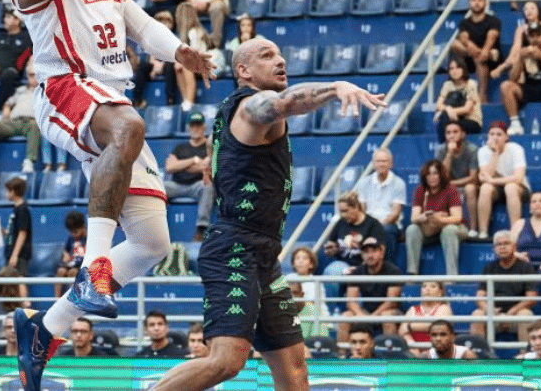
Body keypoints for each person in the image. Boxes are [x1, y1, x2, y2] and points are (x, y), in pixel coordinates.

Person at [9, 0, 216, 391]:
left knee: (152, 243)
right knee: (129, 128)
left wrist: (181, 53)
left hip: (110, 91)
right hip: (65, 87)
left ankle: (44, 331)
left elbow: (140, 25)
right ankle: (94, 267)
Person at [146, 39, 383, 391]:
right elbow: (284, 103)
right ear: (243, 71)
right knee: (226, 361)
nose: (281, 59)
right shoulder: (250, 107)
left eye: (280, 53)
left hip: (264, 254)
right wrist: (336, 87)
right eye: (267, 56)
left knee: (295, 367)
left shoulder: (235, 113)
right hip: (234, 250)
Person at [0, 62, 47, 172]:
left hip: (31, 123)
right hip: (13, 123)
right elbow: (9, 102)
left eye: (36, 74)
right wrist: (6, 108)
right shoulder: (20, 90)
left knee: (34, 126)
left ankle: (29, 161)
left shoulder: (46, 91)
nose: (33, 78)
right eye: (30, 75)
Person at [469, 231, 537, 340]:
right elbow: (479, 296)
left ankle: (525, 355)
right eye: (498, 244)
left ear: (514, 246)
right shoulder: (489, 268)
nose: (502, 247)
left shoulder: (526, 267)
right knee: (477, 313)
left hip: (516, 315)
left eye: (506, 243)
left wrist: (512, 312)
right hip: (493, 316)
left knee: (525, 314)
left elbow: (531, 298)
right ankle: (479, 354)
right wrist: (489, 310)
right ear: (494, 249)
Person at [500, 22, 541, 136]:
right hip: (528, 87)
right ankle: (515, 124)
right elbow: (512, 78)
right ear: (528, 37)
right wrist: (520, 58)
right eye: (532, 36)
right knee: (505, 86)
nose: (535, 39)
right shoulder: (523, 51)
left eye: (538, 36)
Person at [405, 158, 466, 276]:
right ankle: (412, 274)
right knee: (411, 229)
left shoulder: (450, 189)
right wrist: (422, 217)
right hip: (429, 229)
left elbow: (457, 218)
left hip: (452, 227)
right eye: (428, 174)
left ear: (440, 175)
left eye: (435, 173)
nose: (431, 177)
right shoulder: (420, 190)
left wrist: (440, 220)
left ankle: (451, 276)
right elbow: (414, 218)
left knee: (449, 230)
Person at [163, 111, 214, 241]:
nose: (195, 128)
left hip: (197, 185)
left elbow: (208, 167)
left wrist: (181, 165)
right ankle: (158, 229)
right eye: (193, 125)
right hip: (177, 185)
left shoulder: (208, 145)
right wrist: (194, 160)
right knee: (159, 187)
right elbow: (169, 168)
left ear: (204, 127)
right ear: (188, 128)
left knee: (208, 186)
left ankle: (201, 230)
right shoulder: (180, 147)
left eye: (198, 125)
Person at [321, 192, 385, 289]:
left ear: (356, 207)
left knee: (358, 276)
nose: (343, 215)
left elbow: (380, 252)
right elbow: (332, 243)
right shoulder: (340, 223)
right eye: (341, 211)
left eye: (345, 211)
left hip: (366, 265)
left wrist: (360, 269)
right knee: (331, 272)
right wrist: (331, 249)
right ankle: (332, 304)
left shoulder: (373, 224)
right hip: (343, 265)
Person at [343, 237, 403, 335]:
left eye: (374, 251)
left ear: (381, 252)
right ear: (362, 255)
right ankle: (342, 350)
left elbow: (391, 302)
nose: (370, 255)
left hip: (389, 311)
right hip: (366, 312)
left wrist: (372, 317)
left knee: (386, 316)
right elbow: (351, 302)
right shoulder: (357, 272)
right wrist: (361, 315)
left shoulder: (393, 271)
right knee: (345, 317)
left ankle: (390, 350)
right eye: (366, 252)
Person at [353, 148, 407, 256]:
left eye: (384, 161)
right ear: (373, 164)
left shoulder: (399, 183)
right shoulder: (363, 183)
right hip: (368, 223)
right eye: (378, 161)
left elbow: (395, 214)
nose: (381, 164)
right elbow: (361, 210)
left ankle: (387, 269)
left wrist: (378, 225)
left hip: (389, 223)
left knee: (386, 230)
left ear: (391, 164)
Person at [450, 0, 501, 104]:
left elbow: (491, 37)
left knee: (481, 57)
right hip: (472, 56)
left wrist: (485, 51)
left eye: (480, 0)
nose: (477, 3)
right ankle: (457, 92)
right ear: (469, 3)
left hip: (490, 58)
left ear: (485, 3)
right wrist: (478, 52)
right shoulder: (464, 22)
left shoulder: (493, 20)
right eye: (473, 0)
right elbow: (464, 39)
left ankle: (482, 95)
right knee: (455, 43)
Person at [437, 121, 481, 235]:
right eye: (448, 133)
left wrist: (451, 184)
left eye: (455, 132)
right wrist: (449, 154)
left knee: (470, 188)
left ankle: (473, 228)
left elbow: (473, 178)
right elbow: (442, 176)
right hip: (448, 184)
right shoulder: (441, 150)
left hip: (468, 183)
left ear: (463, 134)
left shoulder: (472, 149)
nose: (452, 135)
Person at [434, 56, 483, 141]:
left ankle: (444, 148)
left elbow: (467, 109)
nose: (454, 71)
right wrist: (447, 109)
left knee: (446, 120)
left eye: (458, 67)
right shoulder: (447, 85)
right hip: (453, 118)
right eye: (451, 68)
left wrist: (447, 111)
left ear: (463, 69)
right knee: (445, 119)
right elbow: (438, 105)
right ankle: (445, 148)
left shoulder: (471, 84)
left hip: (471, 121)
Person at [399, 281, 452, 356]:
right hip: (415, 350)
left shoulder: (444, 308)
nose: (428, 289)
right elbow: (402, 332)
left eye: (433, 286)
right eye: (424, 286)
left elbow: (438, 327)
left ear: (440, 292)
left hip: (437, 349)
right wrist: (412, 345)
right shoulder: (412, 309)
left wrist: (410, 326)